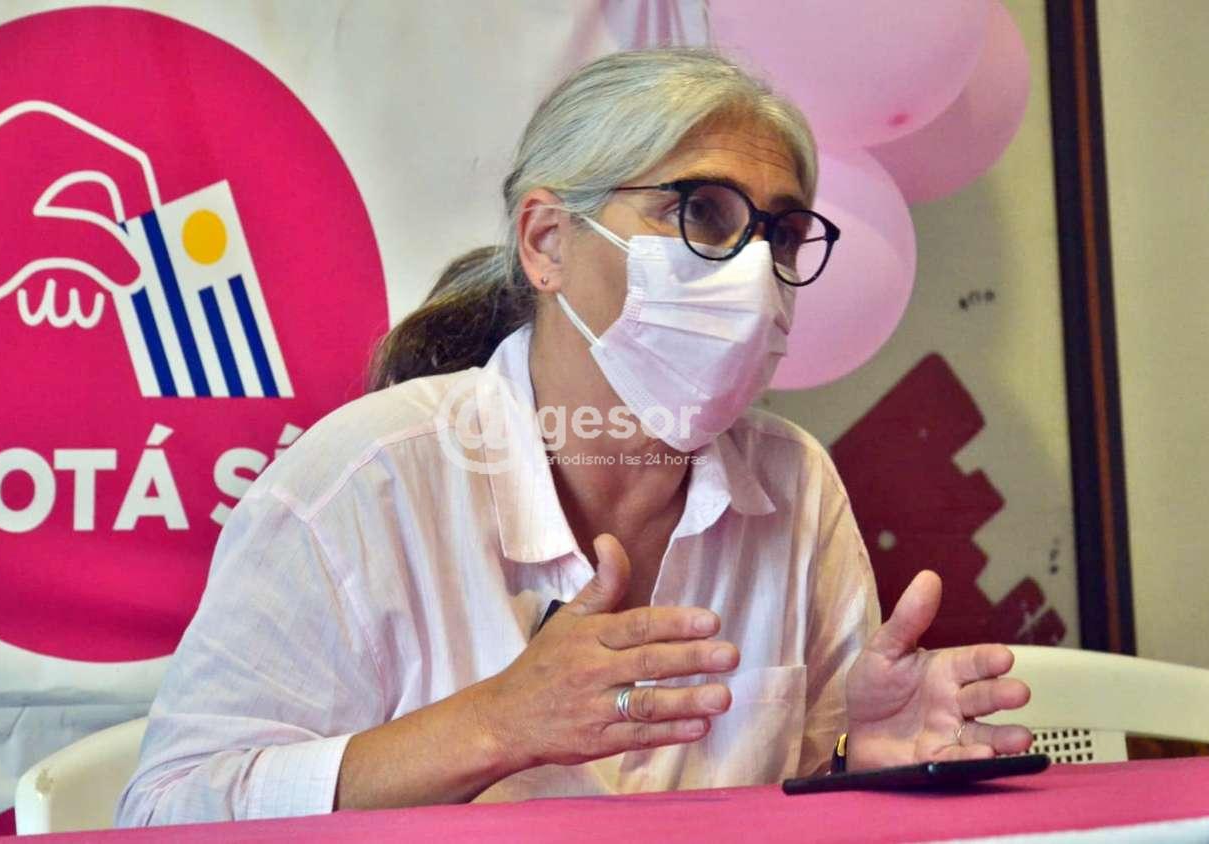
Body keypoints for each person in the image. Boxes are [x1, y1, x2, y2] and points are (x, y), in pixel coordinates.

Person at [116, 47, 1032, 826]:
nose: (754, 271)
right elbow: (163, 811)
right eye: (700, 213)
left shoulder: (795, 483)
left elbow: (797, 803)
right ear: (547, 242)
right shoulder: (362, 481)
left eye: (781, 234)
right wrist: (495, 725)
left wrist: (853, 762)